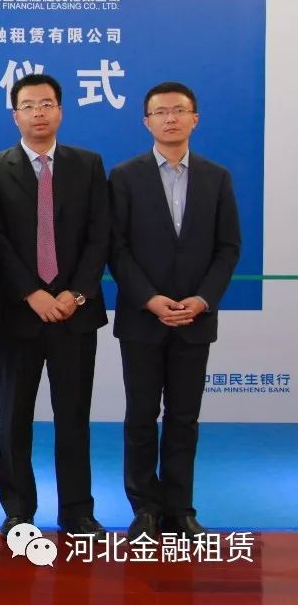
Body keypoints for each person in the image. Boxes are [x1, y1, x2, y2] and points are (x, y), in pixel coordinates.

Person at [0, 73, 109, 539]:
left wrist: (76, 293)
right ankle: (18, 510)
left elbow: (100, 235)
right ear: (15, 115)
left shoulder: (87, 165)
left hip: (75, 314)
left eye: (47, 104)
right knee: (14, 416)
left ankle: (77, 511)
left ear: (60, 111)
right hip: (19, 315)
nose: (39, 112)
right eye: (29, 105)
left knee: (73, 416)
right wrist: (31, 292)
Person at [109, 81, 240, 540]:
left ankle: (180, 508)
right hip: (142, 318)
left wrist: (202, 299)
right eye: (160, 112)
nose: (170, 118)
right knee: (141, 416)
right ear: (146, 122)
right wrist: (149, 298)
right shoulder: (125, 177)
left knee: (184, 418)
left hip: (195, 318)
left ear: (194, 119)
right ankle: (145, 507)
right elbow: (116, 249)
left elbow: (228, 248)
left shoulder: (216, 177)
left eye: (178, 111)